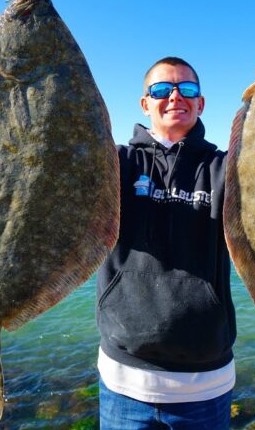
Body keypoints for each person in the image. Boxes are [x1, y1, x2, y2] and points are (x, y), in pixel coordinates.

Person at [96, 57, 236, 429]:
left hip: (207, 383)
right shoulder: (115, 163)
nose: (175, 96)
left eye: (187, 89)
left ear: (200, 103)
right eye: (162, 90)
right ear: (145, 104)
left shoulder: (227, 169)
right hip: (123, 380)